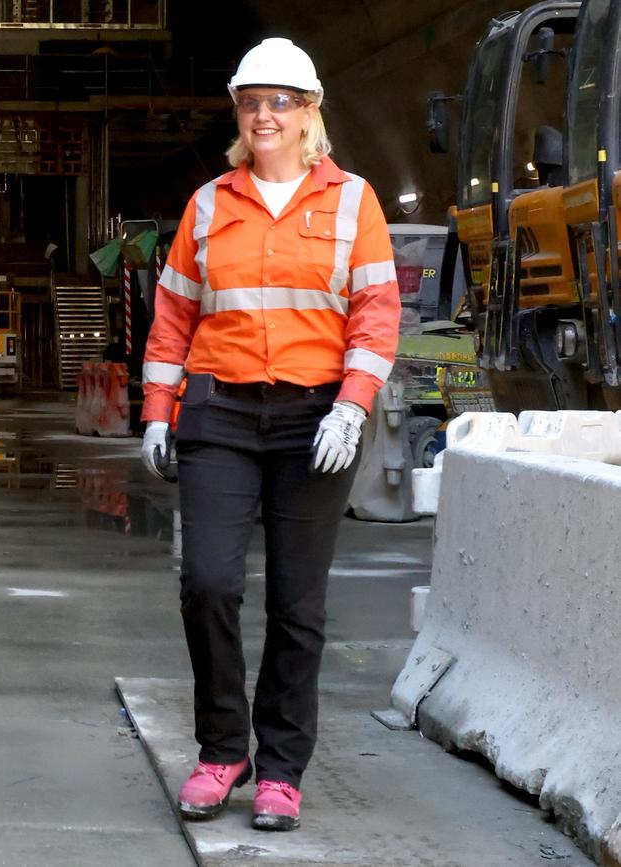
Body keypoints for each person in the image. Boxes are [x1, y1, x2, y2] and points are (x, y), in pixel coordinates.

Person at [140, 36, 400, 832]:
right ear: (239, 113)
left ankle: (281, 769)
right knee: (209, 583)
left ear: (310, 113)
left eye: (280, 101)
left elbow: (376, 313)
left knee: (299, 602)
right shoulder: (210, 204)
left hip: (314, 418)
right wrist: (157, 413)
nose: (264, 114)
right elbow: (173, 316)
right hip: (218, 412)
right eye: (252, 101)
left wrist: (353, 404)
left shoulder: (354, 201)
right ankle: (223, 752)